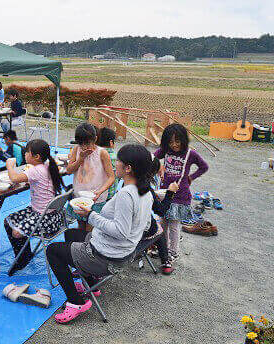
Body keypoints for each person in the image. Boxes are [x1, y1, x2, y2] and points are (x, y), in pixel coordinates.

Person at [46, 144, 153, 324]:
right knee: (71, 235)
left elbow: (120, 231)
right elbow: (146, 224)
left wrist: (90, 216)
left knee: (53, 251)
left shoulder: (127, 194)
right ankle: (90, 284)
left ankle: (75, 302)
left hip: (106, 257)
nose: (115, 164)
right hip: (123, 252)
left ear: (128, 168)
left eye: (118, 161)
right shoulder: (145, 191)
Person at [4, 139, 65, 275]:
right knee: (9, 220)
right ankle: (25, 254)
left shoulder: (36, 170)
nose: (25, 154)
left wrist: (10, 165)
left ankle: (22, 259)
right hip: (53, 216)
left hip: (45, 219)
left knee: (16, 232)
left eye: (27, 152)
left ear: (36, 157)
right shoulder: (48, 166)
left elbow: (13, 178)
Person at [154, 123, 209, 261]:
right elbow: (151, 157)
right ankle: (164, 249)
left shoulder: (191, 154)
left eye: (177, 141)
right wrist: (159, 165)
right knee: (163, 223)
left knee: (173, 225)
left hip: (180, 196)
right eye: (170, 142)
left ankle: (173, 252)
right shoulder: (165, 151)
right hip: (165, 194)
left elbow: (204, 167)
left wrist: (191, 177)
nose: (174, 145)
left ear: (184, 140)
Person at [65, 123, 115, 228]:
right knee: (80, 226)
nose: (84, 147)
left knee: (90, 228)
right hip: (79, 197)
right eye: (81, 143)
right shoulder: (76, 149)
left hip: (96, 199)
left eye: (87, 143)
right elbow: (69, 170)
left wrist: (100, 191)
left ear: (95, 139)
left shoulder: (102, 153)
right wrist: (80, 159)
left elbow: (111, 177)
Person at [146, 155, 179, 275]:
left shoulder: (127, 183)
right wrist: (170, 193)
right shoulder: (146, 190)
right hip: (137, 233)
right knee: (158, 228)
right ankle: (166, 262)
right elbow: (161, 211)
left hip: (125, 228)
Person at [97, 127, 119, 201]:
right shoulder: (115, 158)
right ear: (111, 142)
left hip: (95, 192)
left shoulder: (94, 154)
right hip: (110, 194)